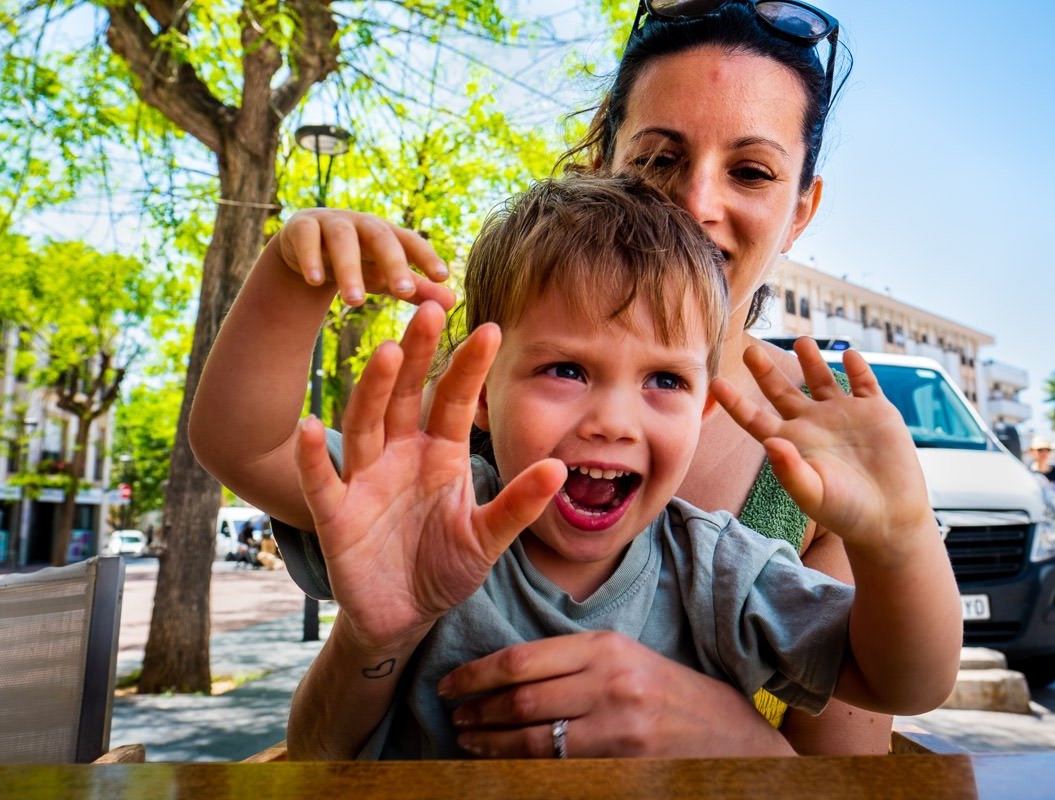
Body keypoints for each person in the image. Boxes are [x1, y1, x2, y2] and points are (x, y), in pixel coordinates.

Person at [191, 0, 911, 757]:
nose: (698, 204)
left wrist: (727, 736)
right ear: (605, 160)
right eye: (660, 158)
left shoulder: (822, 475)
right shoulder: (470, 413)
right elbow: (248, 446)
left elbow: (862, 742)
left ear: (801, 208)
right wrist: (291, 271)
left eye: (752, 171)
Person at [279, 174, 960, 759]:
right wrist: (289, 274)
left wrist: (899, 536)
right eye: (567, 369)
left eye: (664, 380)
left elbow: (902, 682)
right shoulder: (432, 515)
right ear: (484, 392)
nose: (613, 420)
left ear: (702, 410)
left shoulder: (718, 571)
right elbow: (244, 444)